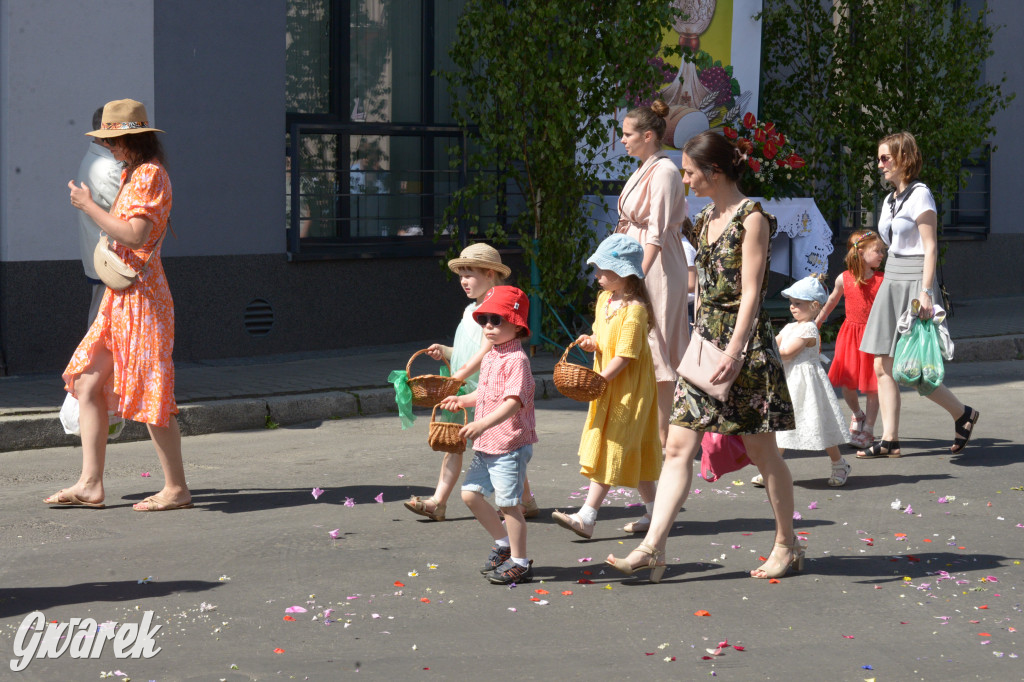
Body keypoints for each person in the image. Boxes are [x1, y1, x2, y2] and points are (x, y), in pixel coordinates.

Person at [606, 130, 798, 583]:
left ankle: (787, 543)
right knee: (677, 447)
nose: (686, 179)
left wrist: (734, 350)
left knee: (761, 452)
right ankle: (653, 548)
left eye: (691, 172)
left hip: (741, 348)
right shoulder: (707, 215)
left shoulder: (752, 218)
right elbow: (695, 276)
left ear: (714, 171)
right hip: (703, 343)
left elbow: (752, 292)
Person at [47, 99, 191, 512]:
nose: (109, 148)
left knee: (151, 393)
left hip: (143, 299)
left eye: (113, 141)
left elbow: (134, 234)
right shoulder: (134, 173)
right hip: (122, 297)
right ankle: (90, 484)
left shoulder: (148, 174)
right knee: (88, 382)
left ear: (131, 139)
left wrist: (89, 206)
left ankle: (176, 488)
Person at [857, 132, 979, 458]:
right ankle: (890, 439)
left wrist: (926, 292)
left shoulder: (920, 195)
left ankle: (962, 413)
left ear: (903, 158)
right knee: (882, 364)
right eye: (879, 158)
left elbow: (930, 248)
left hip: (914, 281)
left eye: (885, 158)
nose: (879, 164)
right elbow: (889, 244)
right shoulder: (890, 200)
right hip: (891, 278)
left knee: (914, 367)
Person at [404, 243, 538, 521]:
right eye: (461, 275)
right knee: (458, 444)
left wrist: (457, 378)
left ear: (490, 274)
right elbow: (467, 351)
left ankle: (522, 500)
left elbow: (484, 353)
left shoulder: (497, 313)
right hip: (465, 388)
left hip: (485, 390)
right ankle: (440, 502)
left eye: (470, 274)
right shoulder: (471, 312)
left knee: (504, 448)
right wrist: (447, 352)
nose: (464, 281)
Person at [550, 235, 661, 538]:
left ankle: (587, 515)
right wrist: (590, 342)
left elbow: (625, 356)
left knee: (614, 444)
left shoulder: (635, 310)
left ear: (624, 273)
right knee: (630, 448)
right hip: (608, 385)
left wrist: (599, 380)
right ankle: (656, 513)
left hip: (629, 390)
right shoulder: (605, 300)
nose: (597, 276)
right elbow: (602, 339)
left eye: (604, 270)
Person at [438, 286, 538, 584]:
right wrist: (463, 400)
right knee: (470, 495)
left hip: (509, 443)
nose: (489, 327)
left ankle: (520, 561)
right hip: (487, 444)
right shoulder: (494, 355)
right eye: (484, 321)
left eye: (497, 320)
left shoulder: (517, 361)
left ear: (517, 324)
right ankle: (504, 543)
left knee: (509, 505)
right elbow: (486, 392)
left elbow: (512, 402)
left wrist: (481, 424)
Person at [615, 100, 690, 447]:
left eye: (627, 134)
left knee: (659, 346)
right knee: (647, 343)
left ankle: (665, 437)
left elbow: (657, 233)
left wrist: (635, 277)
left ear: (648, 136)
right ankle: (656, 434)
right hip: (639, 259)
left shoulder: (663, 171)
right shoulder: (646, 166)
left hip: (655, 265)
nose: (622, 140)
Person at [755, 276, 851, 488]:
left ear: (814, 305)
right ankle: (771, 469)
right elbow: (775, 342)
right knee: (780, 425)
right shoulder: (790, 327)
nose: (792, 307)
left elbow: (787, 352)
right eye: (791, 303)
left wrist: (765, 350)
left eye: (798, 303)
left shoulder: (808, 328)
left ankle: (839, 463)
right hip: (788, 382)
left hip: (807, 385)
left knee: (819, 423)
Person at [815, 230, 886, 448]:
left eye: (883, 251)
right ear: (861, 252)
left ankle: (869, 429)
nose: (882, 254)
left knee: (874, 385)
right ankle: (857, 413)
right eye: (878, 251)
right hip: (850, 335)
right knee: (847, 382)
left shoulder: (883, 280)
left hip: (874, 336)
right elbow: (830, 303)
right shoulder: (843, 278)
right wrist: (815, 323)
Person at [76, 106, 123, 325]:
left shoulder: (102, 162)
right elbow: (130, 220)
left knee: (102, 328)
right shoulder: (107, 169)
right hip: (114, 263)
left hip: (108, 261)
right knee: (104, 332)